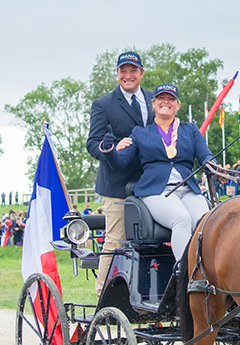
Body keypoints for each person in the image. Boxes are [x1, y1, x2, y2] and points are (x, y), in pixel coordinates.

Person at [100, 83, 214, 261]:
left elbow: (205, 155)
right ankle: (184, 272)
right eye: (161, 98)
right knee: (181, 219)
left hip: (187, 189)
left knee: (205, 221)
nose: (166, 102)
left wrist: (211, 164)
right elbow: (120, 162)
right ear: (153, 103)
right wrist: (109, 150)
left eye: (171, 99)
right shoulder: (140, 133)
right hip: (156, 191)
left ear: (178, 105)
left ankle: (207, 269)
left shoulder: (190, 130)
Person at [86, 51, 155, 296]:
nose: (128, 76)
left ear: (141, 73)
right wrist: (111, 148)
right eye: (123, 71)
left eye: (133, 70)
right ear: (117, 73)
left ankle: (150, 292)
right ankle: (102, 296)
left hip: (149, 183)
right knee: (116, 239)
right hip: (116, 185)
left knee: (153, 241)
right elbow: (92, 144)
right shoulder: (103, 104)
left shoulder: (154, 99)